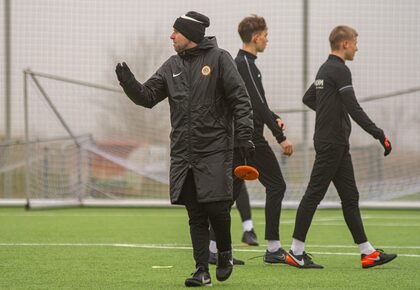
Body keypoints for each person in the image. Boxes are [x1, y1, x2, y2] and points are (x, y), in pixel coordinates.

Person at [115, 11, 254, 286]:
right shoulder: (171, 65)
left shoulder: (220, 59)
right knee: (195, 213)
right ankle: (201, 271)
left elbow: (241, 100)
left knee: (217, 207)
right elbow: (147, 97)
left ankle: (224, 253)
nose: (171, 36)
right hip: (183, 152)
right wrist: (128, 83)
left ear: (189, 34)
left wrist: (245, 137)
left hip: (215, 148)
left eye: (175, 32)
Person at [285, 25, 397, 269]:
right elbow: (354, 107)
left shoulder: (325, 68)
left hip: (334, 142)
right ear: (344, 44)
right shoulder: (339, 71)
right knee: (313, 194)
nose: (357, 47)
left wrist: (329, 112)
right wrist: (379, 134)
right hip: (332, 142)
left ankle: (367, 252)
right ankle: (295, 251)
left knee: (350, 197)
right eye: (355, 42)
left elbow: (308, 98)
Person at [209, 15, 294, 266]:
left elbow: (260, 103)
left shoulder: (247, 64)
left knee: (230, 194)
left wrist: (275, 117)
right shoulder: (244, 63)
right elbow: (255, 105)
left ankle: (213, 249)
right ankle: (273, 248)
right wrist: (281, 137)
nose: (267, 40)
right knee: (277, 185)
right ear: (256, 37)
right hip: (249, 137)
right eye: (266, 36)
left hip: (241, 137)